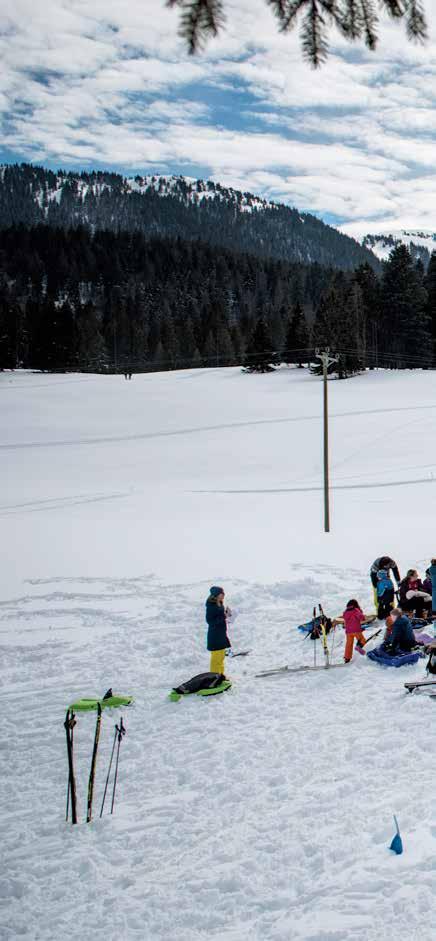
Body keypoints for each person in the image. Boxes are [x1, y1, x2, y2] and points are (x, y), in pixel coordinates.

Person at [205, 586, 231, 676]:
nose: (223, 595)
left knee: (221, 658)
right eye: (221, 594)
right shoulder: (211, 606)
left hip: (221, 634)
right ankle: (214, 678)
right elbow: (210, 621)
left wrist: (226, 615)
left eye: (223, 593)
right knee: (216, 659)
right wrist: (224, 616)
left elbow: (220, 618)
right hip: (215, 636)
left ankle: (221, 676)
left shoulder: (219, 603)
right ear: (216, 595)